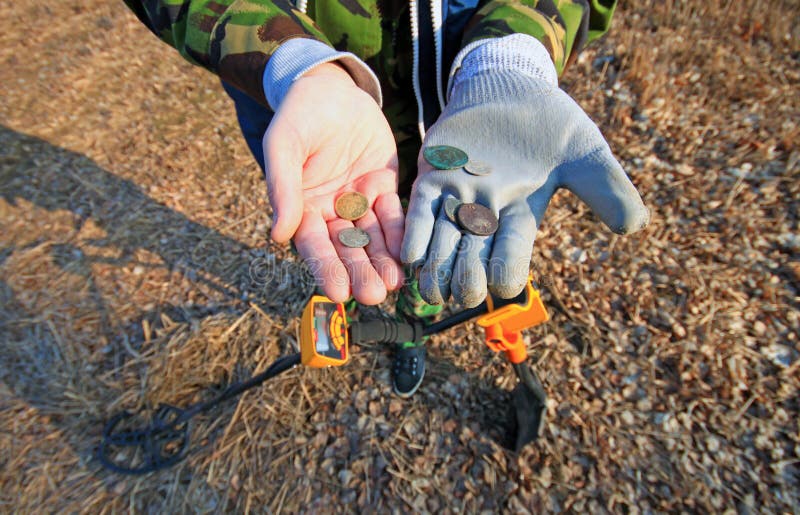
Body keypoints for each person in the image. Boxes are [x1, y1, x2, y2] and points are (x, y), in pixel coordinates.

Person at [124, 0, 648, 398]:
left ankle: (410, 331)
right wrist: (288, 59)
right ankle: (350, 307)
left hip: (461, 115)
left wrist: (508, 54)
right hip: (308, 112)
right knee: (333, 233)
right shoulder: (297, 86)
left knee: (429, 252)